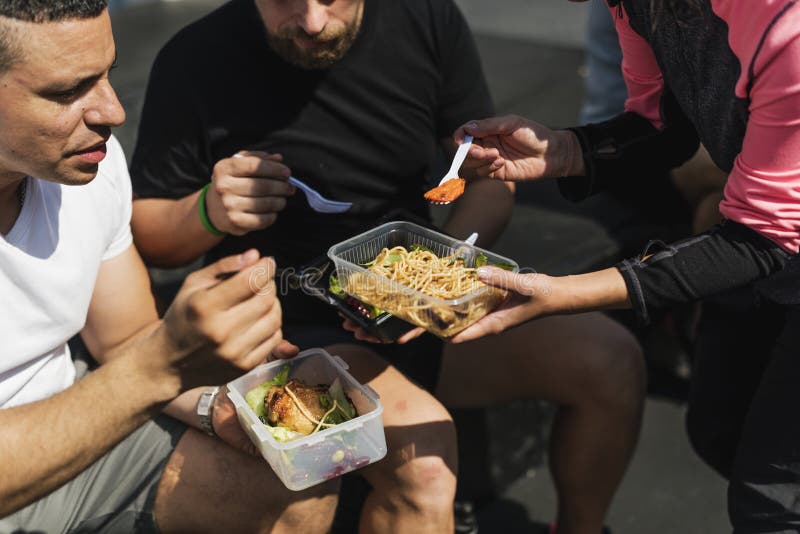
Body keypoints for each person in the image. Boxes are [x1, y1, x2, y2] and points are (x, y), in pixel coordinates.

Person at [129, 1, 646, 533]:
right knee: (424, 468)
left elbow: (489, 180)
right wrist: (207, 213)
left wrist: (436, 274)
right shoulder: (196, 58)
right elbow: (149, 234)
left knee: (612, 362)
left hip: (421, 313)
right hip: (293, 327)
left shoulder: (424, 18)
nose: (311, 21)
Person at [0, 2, 457, 533]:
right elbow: (141, 362)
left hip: (77, 420)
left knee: (297, 471)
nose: (111, 111)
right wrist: (165, 362)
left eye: (107, 76)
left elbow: (123, 339)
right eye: (66, 92)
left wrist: (220, 403)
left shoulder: (90, 166)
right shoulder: (197, 59)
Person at [453, 0, 800, 531]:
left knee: (771, 505)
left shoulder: (787, 27)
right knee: (719, 429)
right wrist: (566, 151)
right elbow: (665, 124)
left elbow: (761, 236)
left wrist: (564, 293)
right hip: (778, 240)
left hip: (772, 236)